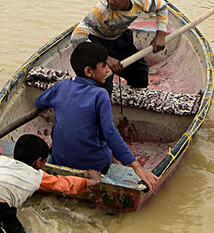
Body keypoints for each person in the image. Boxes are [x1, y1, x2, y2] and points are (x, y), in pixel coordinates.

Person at [34, 41, 160, 189]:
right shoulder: (100, 94)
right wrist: (136, 166)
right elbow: (110, 132)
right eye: (103, 66)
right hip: (93, 166)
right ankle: (114, 161)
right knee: (107, 140)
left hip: (60, 159)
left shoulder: (63, 85)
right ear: (89, 71)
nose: (108, 70)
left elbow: (39, 102)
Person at [73, 0, 176, 89]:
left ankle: (137, 101)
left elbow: (162, 6)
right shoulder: (101, 10)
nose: (110, 1)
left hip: (120, 38)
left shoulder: (141, 1)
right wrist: (106, 59)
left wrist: (160, 34)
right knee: (104, 81)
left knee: (141, 70)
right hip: (97, 44)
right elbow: (77, 36)